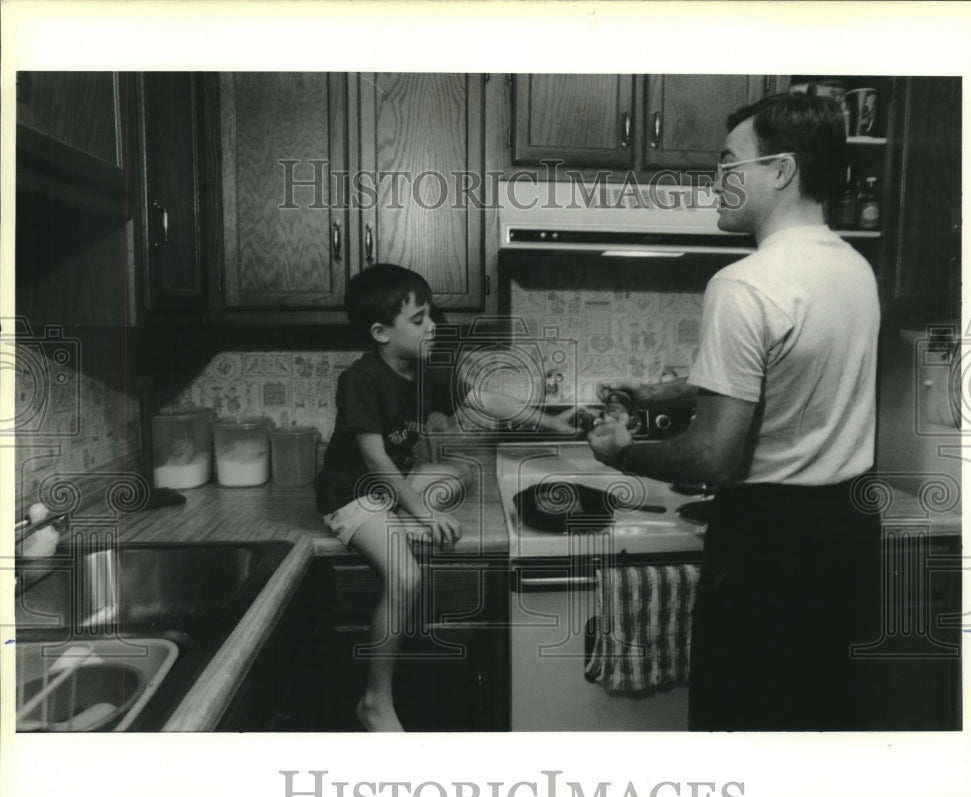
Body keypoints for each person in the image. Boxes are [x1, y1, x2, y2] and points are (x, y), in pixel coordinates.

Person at [588, 93, 883, 731]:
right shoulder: (855, 269)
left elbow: (713, 456)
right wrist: (664, 395)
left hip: (769, 547)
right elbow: (795, 368)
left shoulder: (744, 283)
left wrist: (621, 453)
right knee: (824, 732)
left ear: (781, 171)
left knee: (743, 733)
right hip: (847, 535)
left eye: (728, 163)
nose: (714, 182)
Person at [314, 263, 574, 732]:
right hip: (352, 496)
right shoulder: (361, 379)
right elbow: (373, 460)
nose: (432, 326)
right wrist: (422, 509)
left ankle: (407, 517)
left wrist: (551, 421)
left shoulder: (425, 372)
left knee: (458, 474)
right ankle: (374, 700)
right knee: (407, 577)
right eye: (418, 320)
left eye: (430, 314)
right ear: (380, 332)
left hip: (393, 487)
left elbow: (486, 399)